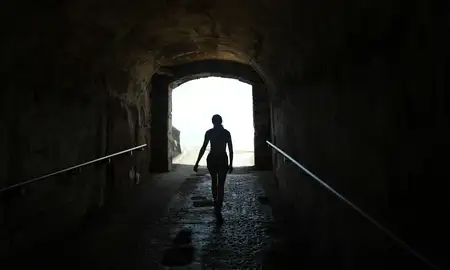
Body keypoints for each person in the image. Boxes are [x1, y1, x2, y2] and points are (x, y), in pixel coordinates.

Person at [193, 114, 233, 222]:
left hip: (212, 159)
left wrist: (197, 162)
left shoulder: (209, 132)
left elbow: (203, 147)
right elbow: (230, 149)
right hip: (223, 159)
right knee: (221, 183)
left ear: (213, 122)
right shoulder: (226, 133)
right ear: (221, 121)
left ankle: (216, 200)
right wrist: (231, 163)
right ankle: (219, 202)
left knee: (214, 181)